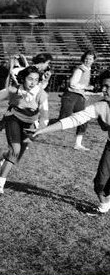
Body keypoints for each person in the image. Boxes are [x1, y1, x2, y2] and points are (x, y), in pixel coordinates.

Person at [32, 69, 110, 211]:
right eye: (103, 86)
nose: (104, 90)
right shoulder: (101, 106)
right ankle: (104, 206)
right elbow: (74, 120)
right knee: (100, 185)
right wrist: (43, 130)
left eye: (108, 87)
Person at [0, 66, 50, 193]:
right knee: (15, 150)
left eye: (36, 80)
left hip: (30, 124)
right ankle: (0, 184)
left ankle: (3, 155)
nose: (33, 82)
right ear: (23, 78)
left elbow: (45, 115)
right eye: (30, 79)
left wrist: (40, 129)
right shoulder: (14, 89)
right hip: (13, 118)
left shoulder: (42, 94)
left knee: (17, 157)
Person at [56, 51, 96, 150]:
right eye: (86, 58)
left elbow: (80, 88)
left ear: (93, 60)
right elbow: (73, 84)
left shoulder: (88, 70)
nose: (88, 60)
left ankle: (78, 144)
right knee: (64, 119)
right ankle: (39, 124)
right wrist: (86, 87)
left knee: (84, 118)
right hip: (71, 95)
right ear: (83, 58)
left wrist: (86, 92)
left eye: (90, 59)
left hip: (79, 97)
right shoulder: (80, 69)